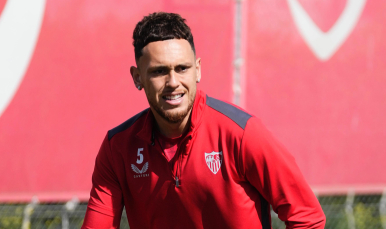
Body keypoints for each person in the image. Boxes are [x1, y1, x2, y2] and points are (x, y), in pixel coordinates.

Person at [82, 12, 326, 229]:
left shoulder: (241, 134)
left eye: (182, 68)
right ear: (138, 77)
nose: (173, 82)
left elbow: (307, 218)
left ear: (197, 70)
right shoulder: (118, 147)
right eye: (159, 71)